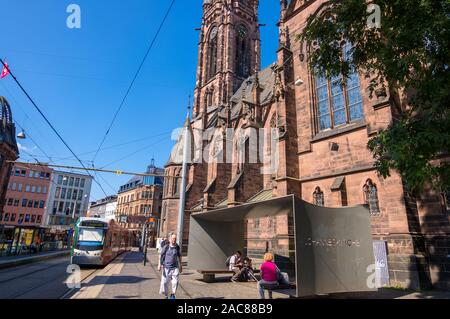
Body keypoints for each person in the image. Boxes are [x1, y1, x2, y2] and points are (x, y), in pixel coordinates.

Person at [158, 233, 182, 299]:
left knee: (175, 282)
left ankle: (173, 294)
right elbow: (160, 255)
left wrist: (181, 265)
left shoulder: (177, 247)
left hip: (175, 267)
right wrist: (159, 265)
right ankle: (166, 295)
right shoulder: (166, 247)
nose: (174, 240)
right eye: (173, 238)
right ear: (170, 239)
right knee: (165, 282)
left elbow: (179, 256)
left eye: (175, 239)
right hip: (166, 267)